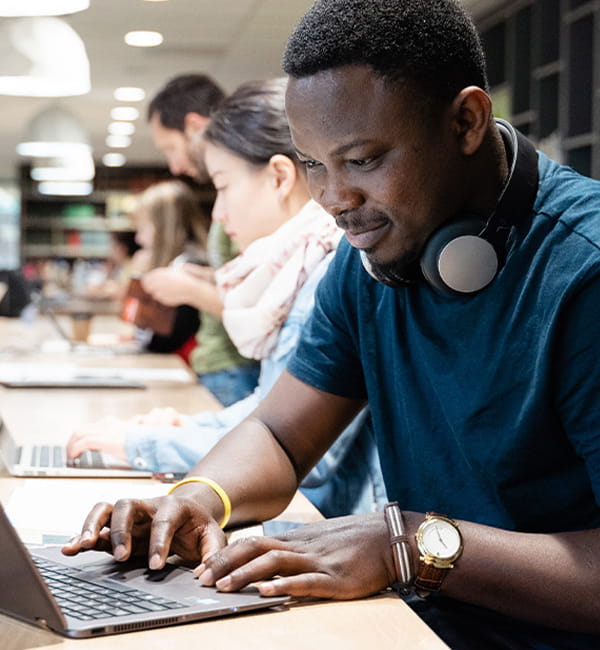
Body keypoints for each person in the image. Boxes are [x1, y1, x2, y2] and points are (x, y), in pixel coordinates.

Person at [63, 1, 600, 647]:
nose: (333, 200)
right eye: (314, 163)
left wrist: (408, 546)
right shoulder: (368, 257)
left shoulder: (585, 271)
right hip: (413, 624)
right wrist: (198, 499)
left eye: (363, 160)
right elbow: (280, 434)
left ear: (466, 120)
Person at [67, 78, 386, 518]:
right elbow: (271, 409)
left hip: (338, 527)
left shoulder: (327, 271)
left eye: (223, 185)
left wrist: (145, 444)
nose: (217, 212)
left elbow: (297, 445)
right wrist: (191, 428)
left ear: (278, 176)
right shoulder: (302, 267)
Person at [145, 73, 259, 406]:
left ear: (195, 127)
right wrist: (208, 277)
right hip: (226, 369)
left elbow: (262, 305)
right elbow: (248, 280)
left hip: (237, 371)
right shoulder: (232, 197)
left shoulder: (249, 191)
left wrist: (191, 291)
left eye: (170, 149)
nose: (174, 166)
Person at [126, 179, 208, 357]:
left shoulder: (187, 268)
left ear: (164, 227)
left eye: (143, 227)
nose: (138, 239)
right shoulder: (186, 261)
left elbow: (165, 340)